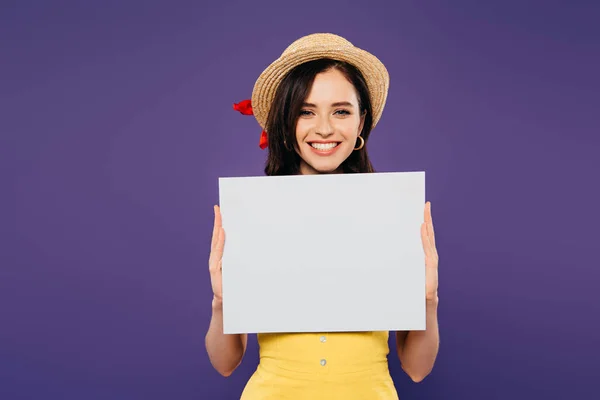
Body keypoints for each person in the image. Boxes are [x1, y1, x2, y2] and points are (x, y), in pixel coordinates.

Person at [205, 33, 440, 399]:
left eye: (341, 111)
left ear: (361, 122)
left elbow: (417, 368)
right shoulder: (255, 214)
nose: (325, 128)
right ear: (286, 121)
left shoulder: (391, 212)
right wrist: (222, 302)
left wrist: (428, 300)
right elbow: (225, 363)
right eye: (306, 111)